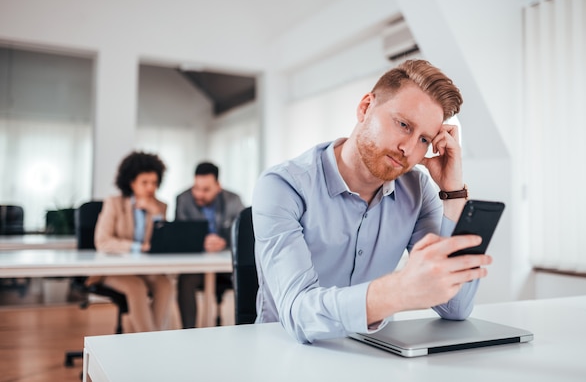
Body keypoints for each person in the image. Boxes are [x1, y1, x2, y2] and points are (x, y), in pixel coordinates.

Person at [252, 59, 493, 344]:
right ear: (366, 107)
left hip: (373, 354)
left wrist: (452, 193)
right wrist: (398, 291)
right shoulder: (283, 185)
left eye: (424, 140)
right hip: (284, 352)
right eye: (403, 124)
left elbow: (455, 307)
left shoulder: (417, 190)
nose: (408, 149)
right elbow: (298, 313)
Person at [93, 151, 174, 333]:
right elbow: (103, 241)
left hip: (143, 268)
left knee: (165, 284)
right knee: (136, 287)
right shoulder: (114, 203)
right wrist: (138, 247)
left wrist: (156, 216)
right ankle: (151, 342)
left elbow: (162, 243)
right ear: (131, 182)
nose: (150, 188)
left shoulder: (160, 206)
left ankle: (150, 336)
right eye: (144, 183)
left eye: (154, 183)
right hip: (114, 269)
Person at [175, 162, 244, 328]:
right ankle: (189, 332)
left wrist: (225, 241)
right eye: (196, 188)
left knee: (245, 277)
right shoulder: (183, 199)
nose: (199, 194)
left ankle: (245, 328)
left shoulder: (234, 200)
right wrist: (200, 242)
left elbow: (243, 231)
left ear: (218, 186)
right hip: (197, 266)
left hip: (225, 266)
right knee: (186, 281)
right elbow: (178, 234)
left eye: (206, 190)